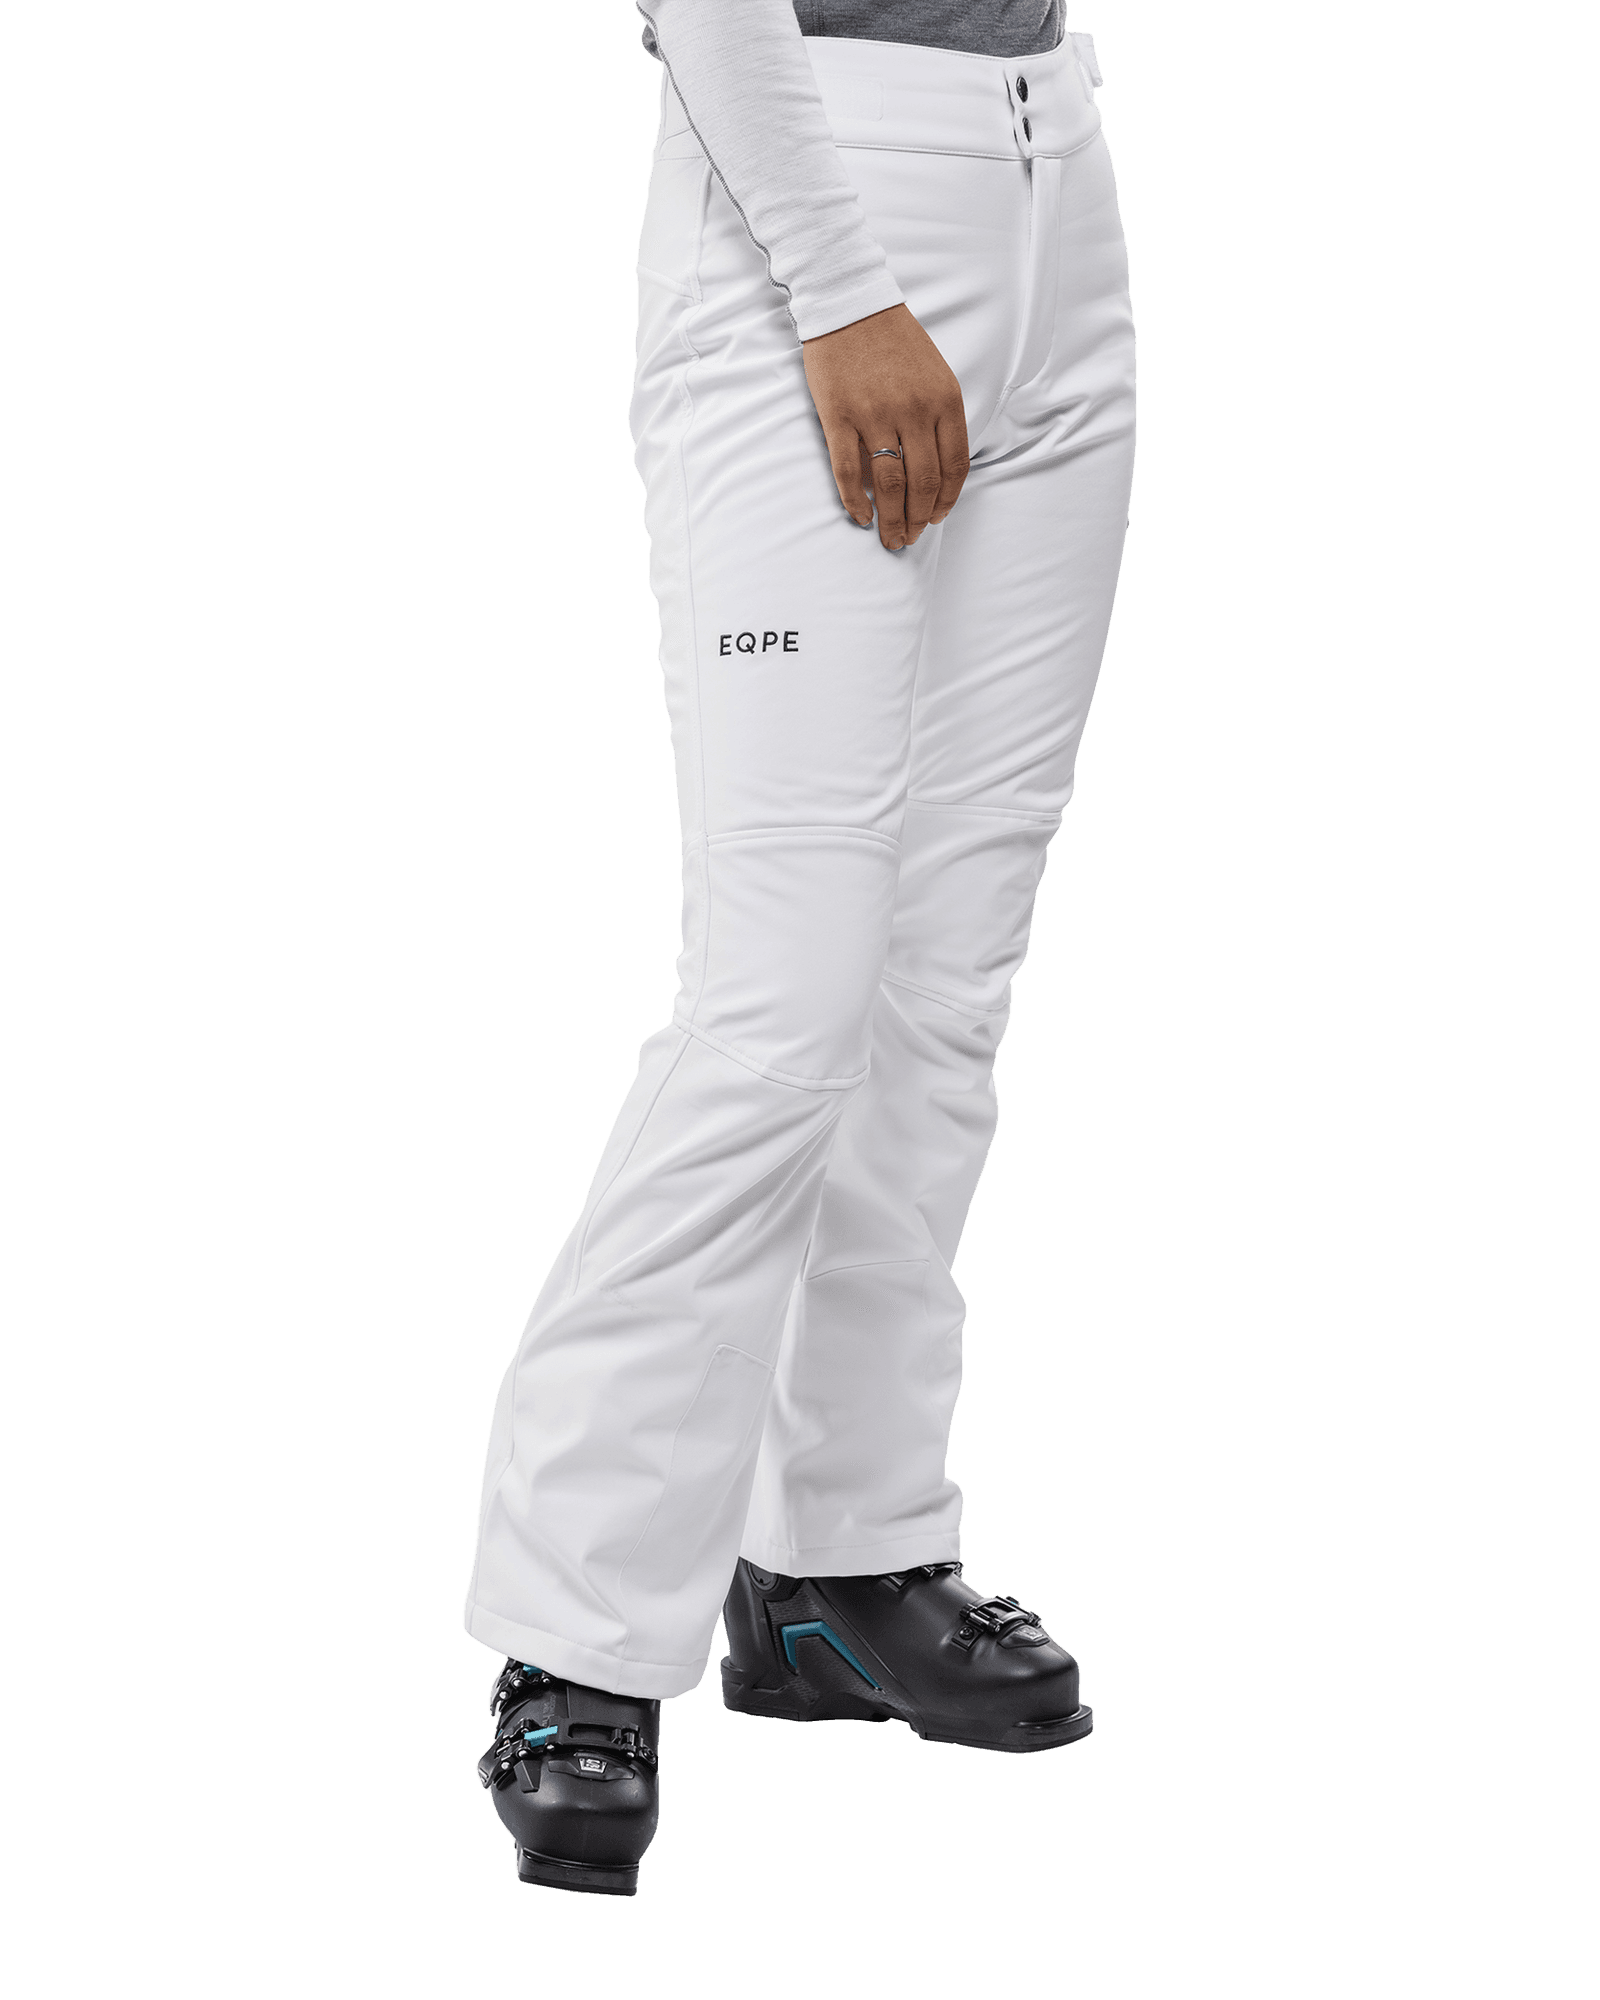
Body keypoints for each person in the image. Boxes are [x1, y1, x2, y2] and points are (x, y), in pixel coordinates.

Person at [467, 0, 1136, 1896]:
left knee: (943, 984)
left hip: (1056, 177)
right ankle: (577, 1634)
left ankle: (843, 1555)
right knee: (782, 1005)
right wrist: (841, 290)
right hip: (810, 209)